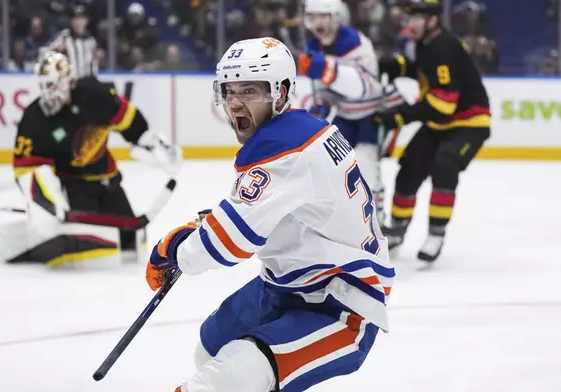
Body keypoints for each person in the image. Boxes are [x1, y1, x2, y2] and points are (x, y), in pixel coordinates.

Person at [145, 37, 394, 392]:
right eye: (230, 92)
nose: (236, 104)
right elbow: (282, 210)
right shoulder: (300, 129)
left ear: (282, 91)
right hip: (286, 284)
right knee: (211, 350)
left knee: (234, 374)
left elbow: (228, 243)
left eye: (250, 91)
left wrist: (176, 250)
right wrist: (205, 227)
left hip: (339, 303)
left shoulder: (284, 148)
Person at [9, 51, 182, 267]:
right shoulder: (35, 118)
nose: (46, 92)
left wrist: (150, 142)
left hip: (109, 181)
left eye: (52, 85)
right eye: (43, 85)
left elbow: (129, 119)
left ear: (67, 81)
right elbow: (25, 169)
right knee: (94, 251)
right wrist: (47, 200)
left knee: (131, 242)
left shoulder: (95, 95)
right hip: (75, 187)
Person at [374, 0, 491, 262]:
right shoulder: (427, 44)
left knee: (445, 163)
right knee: (410, 166)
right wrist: (397, 66)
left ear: (433, 21)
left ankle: (436, 233)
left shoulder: (443, 47)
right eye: (409, 17)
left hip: (469, 124)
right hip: (442, 124)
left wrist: (399, 116)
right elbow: (425, 73)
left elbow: (443, 105)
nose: (409, 24)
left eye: (416, 18)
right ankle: (397, 229)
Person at [297, 0, 404, 224]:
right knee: (328, 164)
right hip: (345, 114)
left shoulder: (355, 43)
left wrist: (327, 70)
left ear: (336, 18)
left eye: (324, 17)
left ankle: (376, 219)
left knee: (365, 166)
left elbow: (365, 87)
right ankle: (342, 220)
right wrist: (322, 104)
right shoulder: (314, 46)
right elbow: (327, 90)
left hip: (372, 115)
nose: (318, 23)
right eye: (313, 17)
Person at [44, 5, 99, 77]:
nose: (78, 22)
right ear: (71, 21)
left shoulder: (91, 40)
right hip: (68, 82)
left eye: (81, 18)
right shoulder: (64, 37)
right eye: (75, 18)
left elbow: (95, 62)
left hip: (87, 82)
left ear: (86, 21)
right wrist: (56, 51)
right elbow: (45, 53)